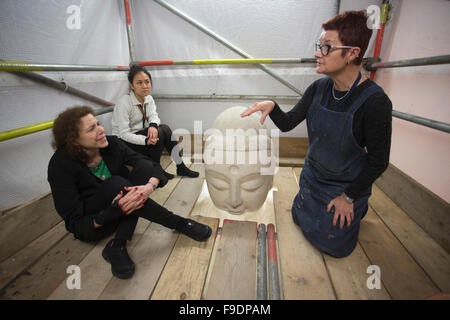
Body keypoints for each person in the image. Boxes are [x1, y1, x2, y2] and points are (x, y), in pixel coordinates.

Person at [241, 11, 392, 258]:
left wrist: (349, 197)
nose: (317, 53)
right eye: (319, 45)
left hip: (343, 187)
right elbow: (288, 123)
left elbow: (378, 161)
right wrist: (273, 106)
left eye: (326, 47)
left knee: (334, 247)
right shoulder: (320, 88)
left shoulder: (375, 102)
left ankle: (358, 206)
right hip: (313, 178)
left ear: (353, 53)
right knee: (299, 219)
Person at [48, 106, 211, 279]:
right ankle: (179, 223)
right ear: (73, 141)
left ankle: (117, 245)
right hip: (99, 221)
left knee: (143, 168)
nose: (101, 130)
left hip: (126, 202)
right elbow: (75, 224)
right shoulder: (60, 165)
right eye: (91, 129)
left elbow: (151, 165)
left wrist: (148, 187)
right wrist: (114, 210)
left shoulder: (111, 144)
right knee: (116, 184)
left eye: (98, 124)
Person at [112, 66, 199, 179]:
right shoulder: (124, 103)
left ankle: (180, 166)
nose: (144, 86)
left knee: (163, 129)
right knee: (160, 132)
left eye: (147, 82)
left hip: (140, 135)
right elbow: (123, 134)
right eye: (139, 83)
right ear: (132, 86)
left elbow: (154, 116)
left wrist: (153, 126)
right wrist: (146, 140)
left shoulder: (148, 98)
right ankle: (158, 171)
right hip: (123, 142)